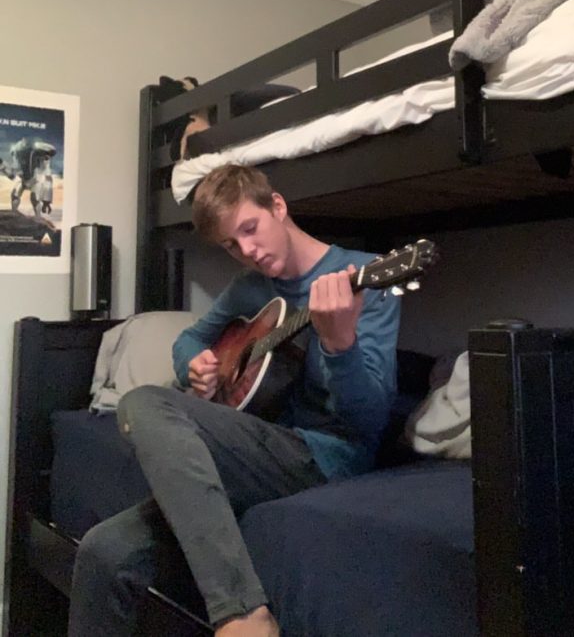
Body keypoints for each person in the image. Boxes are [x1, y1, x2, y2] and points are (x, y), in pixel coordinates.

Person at [68, 163, 401, 637]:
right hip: (253, 449)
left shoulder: (365, 277)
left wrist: (340, 344)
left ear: (278, 206)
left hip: (326, 457)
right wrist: (197, 365)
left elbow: (367, 420)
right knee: (103, 550)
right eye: (231, 244)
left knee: (146, 402)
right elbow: (189, 339)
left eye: (251, 229)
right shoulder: (250, 287)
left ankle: (244, 615)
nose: (248, 251)